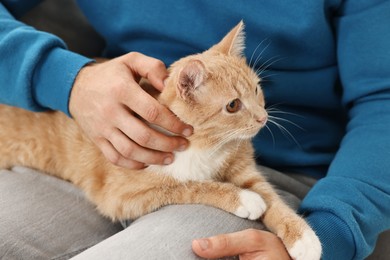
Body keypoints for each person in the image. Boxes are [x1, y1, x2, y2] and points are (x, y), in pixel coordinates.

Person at [0, 0, 389, 259]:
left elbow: (383, 101)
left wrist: (330, 231)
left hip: (284, 172)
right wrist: (66, 79)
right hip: (104, 140)